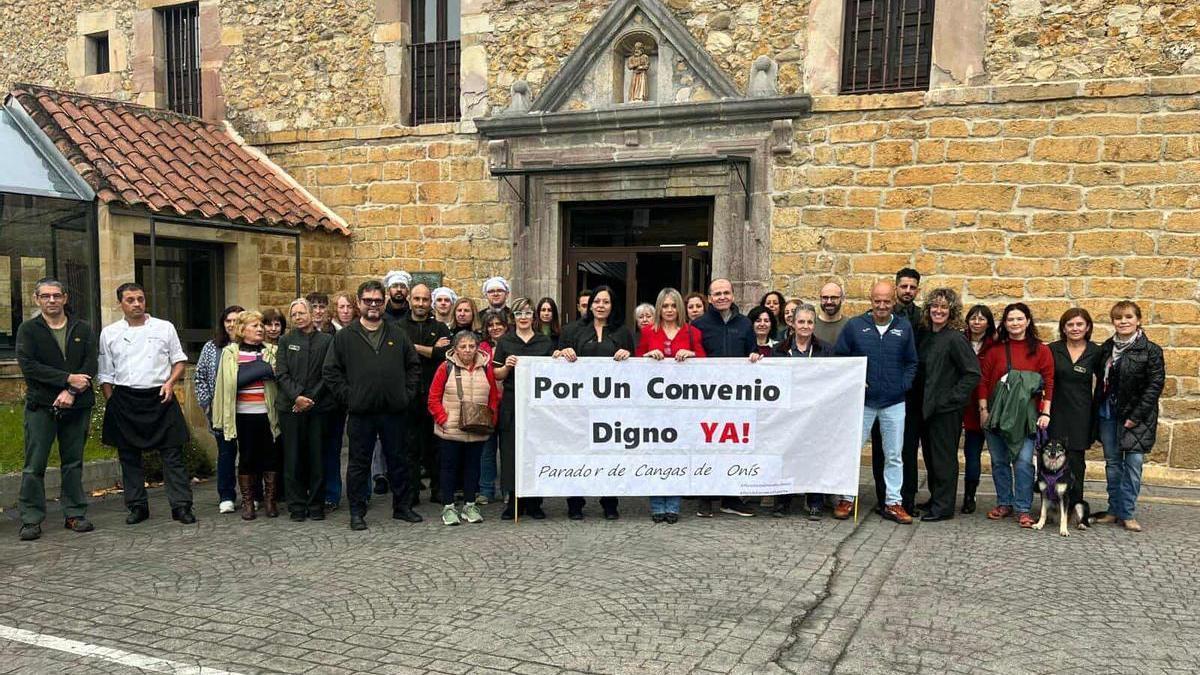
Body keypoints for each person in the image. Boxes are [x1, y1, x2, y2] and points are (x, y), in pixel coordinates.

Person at [322, 280, 422, 530]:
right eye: (368, 301)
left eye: (378, 301)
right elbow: (331, 372)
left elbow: (413, 367)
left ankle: (402, 507)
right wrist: (350, 397)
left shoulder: (397, 334)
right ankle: (357, 511)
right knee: (358, 463)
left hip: (394, 411)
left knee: (399, 460)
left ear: (384, 302)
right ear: (359, 303)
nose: (374, 305)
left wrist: (405, 394)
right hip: (361, 412)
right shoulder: (346, 337)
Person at [99, 283, 195, 525]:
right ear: (120, 303)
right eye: (130, 300)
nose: (136, 304)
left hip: (161, 396)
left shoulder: (164, 327)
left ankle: (181, 506)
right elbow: (105, 373)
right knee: (129, 457)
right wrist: (113, 401)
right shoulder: (109, 333)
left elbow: (179, 361)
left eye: (140, 299)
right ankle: (137, 506)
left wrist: (171, 383)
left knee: (173, 454)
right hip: (125, 399)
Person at [15, 278, 98, 541]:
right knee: (34, 465)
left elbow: (90, 363)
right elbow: (29, 366)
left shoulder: (83, 329)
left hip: (78, 405)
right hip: (42, 406)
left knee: (73, 463)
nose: (51, 300)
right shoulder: (28, 330)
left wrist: (72, 390)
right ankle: (30, 519)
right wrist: (65, 380)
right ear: (36, 299)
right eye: (46, 296)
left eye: (56, 296)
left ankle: (74, 513)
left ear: (65, 298)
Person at [834, 280, 918, 524]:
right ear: (870, 300)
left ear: (894, 301)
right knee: (851, 451)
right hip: (862, 402)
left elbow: (912, 362)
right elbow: (841, 359)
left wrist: (903, 385)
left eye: (887, 301)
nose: (882, 305)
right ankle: (846, 497)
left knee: (893, 454)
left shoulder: (904, 327)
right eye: (877, 301)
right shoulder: (855, 326)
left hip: (893, 402)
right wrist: (855, 380)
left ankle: (893, 502)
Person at [554, 285, 634, 520]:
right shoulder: (572, 331)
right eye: (597, 301)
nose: (600, 305)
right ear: (590, 305)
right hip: (578, 406)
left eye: (606, 302)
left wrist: (628, 356)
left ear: (612, 306)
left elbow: (635, 369)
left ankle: (609, 502)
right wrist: (561, 354)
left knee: (608, 454)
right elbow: (555, 363)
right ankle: (575, 503)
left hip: (611, 407)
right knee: (577, 452)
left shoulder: (623, 333)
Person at [976, 302, 1054, 529]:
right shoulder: (994, 351)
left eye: (1019, 319)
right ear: (1005, 323)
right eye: (1010, 319)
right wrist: (983, 411)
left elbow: (1049, 382)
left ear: (1028, 321)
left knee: (1022, 463)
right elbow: (983, 382)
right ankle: (1004, 503)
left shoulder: (1041, 350)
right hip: (997, 415)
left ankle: (1022, 508)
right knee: (999, 461)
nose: (1015, 323)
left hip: (1026, 417)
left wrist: (1046, 411)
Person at [1092, 301, 1164, 533]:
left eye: (1128, 317)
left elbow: (1154, 386)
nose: (1123, 321)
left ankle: (1128, 513)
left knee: (1133, 464)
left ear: (1138, 320)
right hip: (1108, 413)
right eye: (1118, 318)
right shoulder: (1106, 348)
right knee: (1113, 464)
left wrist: (1135, 416)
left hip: (1137, 417)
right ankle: (1114, 510)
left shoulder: (1151, 350)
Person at [690, 278, 760, 518]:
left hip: (736, 398)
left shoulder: (745, 324)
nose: (721, 297)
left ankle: (730, 499)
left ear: (732, 295)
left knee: (733, 448)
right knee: (707, 446)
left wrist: (754, 356)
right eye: (717, 293)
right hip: (708, 397)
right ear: (709, 298)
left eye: (726, 293)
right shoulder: (698, 325)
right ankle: (705, 498)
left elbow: (754, 351)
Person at [635, 288, 705, 524]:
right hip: (654, 406)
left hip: (681, 406)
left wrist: (692, 354)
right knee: (655, 454)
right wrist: (646, 357)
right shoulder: (647, 332)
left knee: (677, 454)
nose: (669, 310)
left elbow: (709, 365)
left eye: (673, 306)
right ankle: (656, 504)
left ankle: (673, 505)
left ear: (679, 308)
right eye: (664, 306)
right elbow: (633, 365)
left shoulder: (692, 332)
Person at [913, 289, 980, 522]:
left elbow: (972, 374)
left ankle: (944, 506)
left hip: (945, 411)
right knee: (931, 458)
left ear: (951, 311)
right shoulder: (926, 335)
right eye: (935, 306)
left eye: (944, 307)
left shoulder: (955, 338)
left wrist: (950, 399)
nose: (938, 311)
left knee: (944, 459)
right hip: (926, 408)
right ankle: (936, 498)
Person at [212, 310, 281, 520]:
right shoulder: (230, 353)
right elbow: (226, 384)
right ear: (242, 330)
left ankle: (270, 501)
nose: (260, 329)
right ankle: (248, 502)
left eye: (261, 325)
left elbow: (278, 375)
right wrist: (260, 370)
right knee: (247, 458)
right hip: (242, 414)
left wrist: (260, 370)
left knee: (270, 457)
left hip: (267, 413)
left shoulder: (272, 350)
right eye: (254, 326)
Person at [428, 330, 501, 526]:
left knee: (473, 468)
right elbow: (433, 397)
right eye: (463, 346)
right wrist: (443, 419)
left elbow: (493, 396)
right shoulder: (446, 367)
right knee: (449, 468)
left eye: (471, 346)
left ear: (477, 347)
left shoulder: (486, 368)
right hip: (450, 429)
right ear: (455, 349)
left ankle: (470, 504)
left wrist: (491, 419)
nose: (467, 350)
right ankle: (449, 506)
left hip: (477, 428)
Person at [770, 303, 835, 519]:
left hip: (815, 414)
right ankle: (782, 502)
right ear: (792, 323)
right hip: (787, 414)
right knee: (786, 455)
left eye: (809, 322)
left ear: (814, 325)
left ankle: (815, 501)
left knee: (814, 456)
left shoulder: (826, 350)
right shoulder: (778, 350)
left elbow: (836, 377)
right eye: (801, 321)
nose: (805, 326)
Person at [494, 298, 556, 520]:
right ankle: (514, 501)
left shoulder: (544, 342)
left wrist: (558, 357)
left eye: (527, 313)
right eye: (519, 313)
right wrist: (506, 366)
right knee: (511, 453)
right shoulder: (505, 342)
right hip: (512, 402)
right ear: (513, 318)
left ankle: (534, 502)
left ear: (534, 317)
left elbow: (554, 372)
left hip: (537, 406)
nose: (523, 317)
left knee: (535, 451)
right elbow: (496, 374)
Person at [275, 298, 335, 521]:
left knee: (317, 457)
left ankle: (316, 505)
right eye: (294, 314)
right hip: (290, 408)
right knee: (293, 458)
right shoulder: (285, 340)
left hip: (318, 408)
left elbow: (328, 372)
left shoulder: (327, 341)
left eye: (302, 313)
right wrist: (297, 396)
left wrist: (310, 398)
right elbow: (281, 373)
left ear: (312, 314)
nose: (298, 317)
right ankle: (297, 506)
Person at [871, 268, 923, 515]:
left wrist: (906, 383)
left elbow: (915, 358)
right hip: (881, 395)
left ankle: (906, 499)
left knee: (906, 449)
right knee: (882, 448)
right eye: (904, 287)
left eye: (912, 287)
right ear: (896, 289)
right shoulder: (876, 318)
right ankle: (883, 498)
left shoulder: (921, 318)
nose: (908, 291)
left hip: (909, 393)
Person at [1046, 308, 1100, 528]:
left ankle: (1075, 506)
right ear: (1063, 328)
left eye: (1079, 324)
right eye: (1070, 325)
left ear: (1087, 327)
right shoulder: (1052, 350)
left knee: (1076, 462)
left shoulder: (1096, 351)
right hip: (1056, 413)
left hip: (1082, 413)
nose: (1075, 328)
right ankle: (1052, 505)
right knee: (1052, 460)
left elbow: (1107, 382)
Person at [398, 284, 451, 505]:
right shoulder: (397, 327)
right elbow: (398, 354)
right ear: (410, 300)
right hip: (408, 396)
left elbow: (444, 354)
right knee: (409, 447)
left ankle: (439, 490)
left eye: (425, 299)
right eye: (417, 299)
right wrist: (428, 349)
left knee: (437, 446)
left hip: (435, 395)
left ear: (431, 302)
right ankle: (411, 493)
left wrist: (412, 347)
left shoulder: (440, 328)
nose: (421, 303)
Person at [194, 304, 245, 514]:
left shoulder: (252, 345)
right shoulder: (211, 347)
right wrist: (207, 405)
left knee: (250, 454)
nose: (232, 324)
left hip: (248, 408)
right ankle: (226, 495)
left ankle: (253, 494)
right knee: (226, 453)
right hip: (220, 411)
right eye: (228, 321)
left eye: (236, 320)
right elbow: (200, 377)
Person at [960, 304, 996, 513]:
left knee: (997, 455)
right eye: (973, 318)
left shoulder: (995, 345)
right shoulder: (960, 340)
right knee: (971, 454)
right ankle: (968, 495)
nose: (976, 322)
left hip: (987, 405)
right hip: (962, 404)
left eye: (982, 319)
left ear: (988, 323)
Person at [478, 308, 508, 502]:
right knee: (486, 451)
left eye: (498, 324)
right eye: (491, 325)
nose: (495, 328)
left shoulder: (513, 345)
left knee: (507, 450)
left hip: (508, 404)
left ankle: (508, 490)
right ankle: (486, 490)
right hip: (487, 403)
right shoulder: (481, 348)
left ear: (506, 326)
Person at [813, 281, 848, 346]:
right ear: (820, 299)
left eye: (834, 297)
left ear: (842, 299)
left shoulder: (849, 326)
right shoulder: (810, 326)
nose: (829, 302)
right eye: (825, 298)